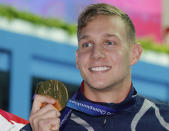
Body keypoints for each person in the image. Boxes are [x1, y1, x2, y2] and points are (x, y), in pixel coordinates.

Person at [21, 3, 169, 131]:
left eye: (109, 43)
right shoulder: (45, 125)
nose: (96, 53)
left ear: (134, 54)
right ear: (78, 59)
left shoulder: (164, 121)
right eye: (87, 44)